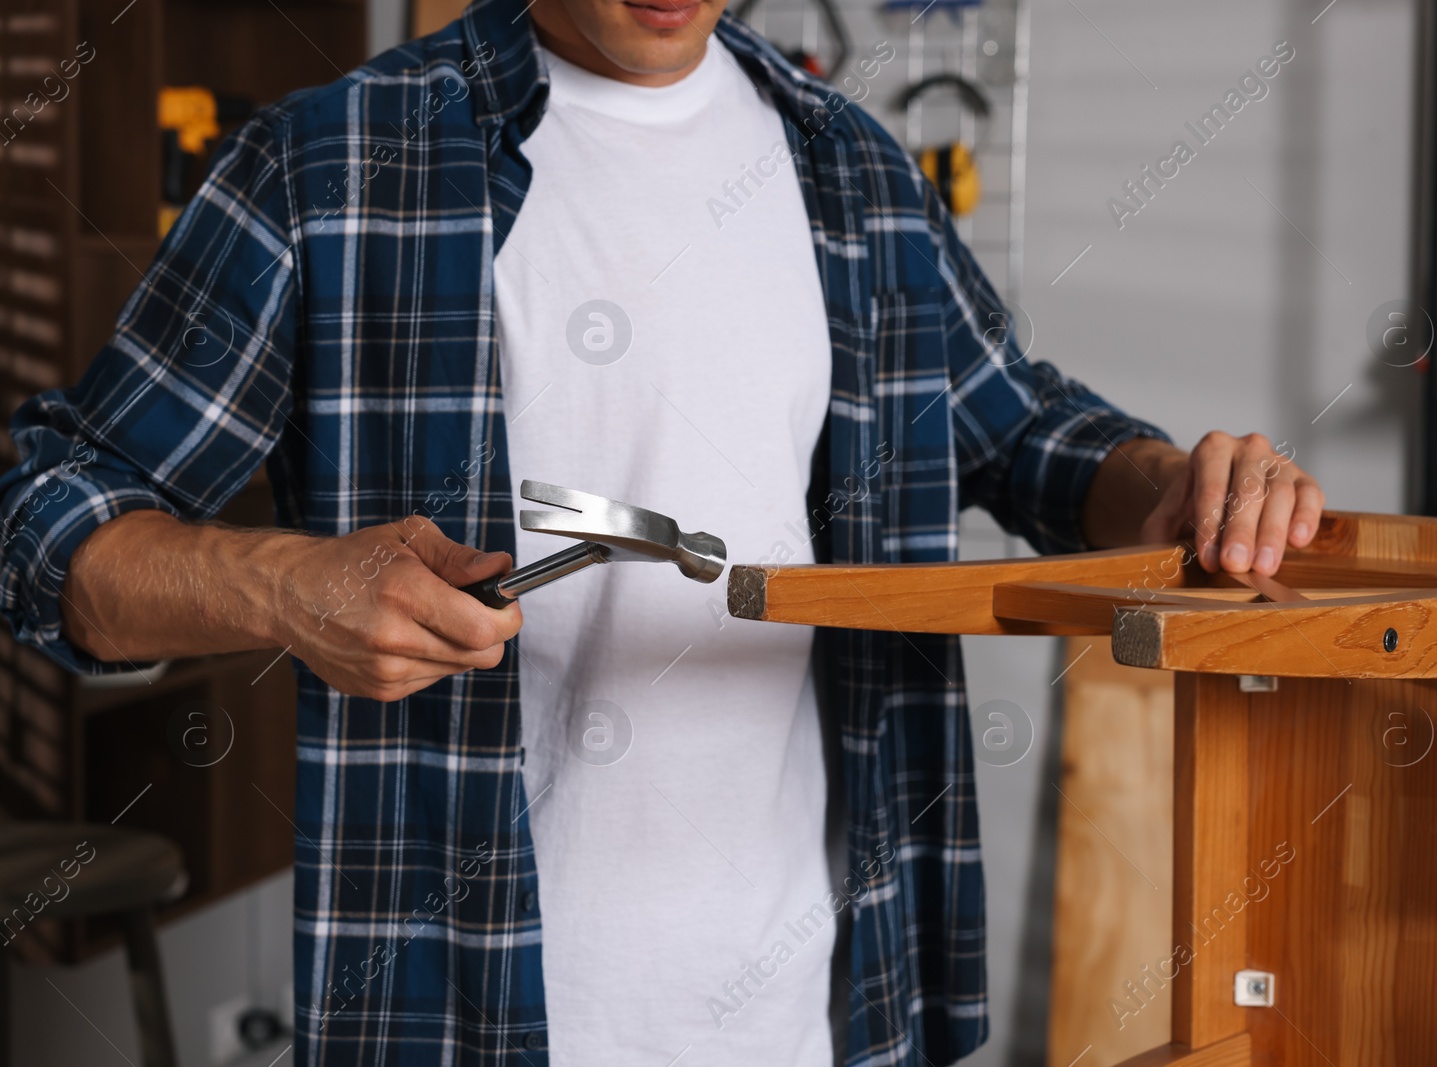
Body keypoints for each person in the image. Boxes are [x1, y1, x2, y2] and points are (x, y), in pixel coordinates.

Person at [0, 0, 1323, 1063]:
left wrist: (1171, 484)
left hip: (825, 1008)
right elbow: (44, 518)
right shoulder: (334, 165)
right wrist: (282, 584)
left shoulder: (850, 170)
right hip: (458, 1017)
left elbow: (1022, 431)